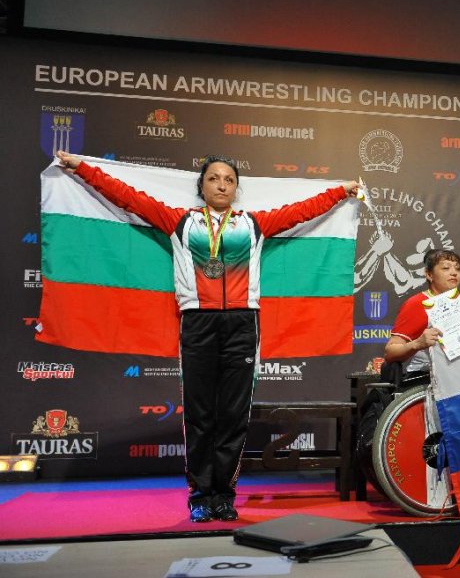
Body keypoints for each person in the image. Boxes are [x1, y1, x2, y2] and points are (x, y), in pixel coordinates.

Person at [57, 150, 358, 522]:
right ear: (201, 186)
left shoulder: (254, 225)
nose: (221, 184)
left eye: (229, 180)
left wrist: (341, 191)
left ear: (236, 189)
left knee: (233, 415)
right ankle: (200, 495)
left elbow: (304, 210)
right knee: (200, 415)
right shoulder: (179, 222)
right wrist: (82, 167)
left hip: (243, 326)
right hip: (197, 324)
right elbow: (127, 197)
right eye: (214, 178)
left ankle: (224, 495)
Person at [384, 249, 460, 371]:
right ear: (429, 274)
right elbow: (390, 352)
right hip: (424, 381)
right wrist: (417, 344)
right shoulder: (418, 303)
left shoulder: (455, 302)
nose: (454, 273)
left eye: (457, 268)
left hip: (452, 376)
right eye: (446, 268)